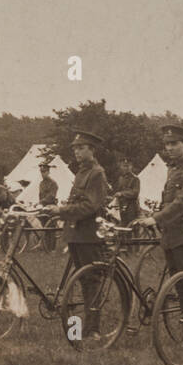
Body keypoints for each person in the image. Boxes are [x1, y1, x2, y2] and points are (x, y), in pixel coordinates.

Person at [50, 130, 110, 338]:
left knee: (91, 281)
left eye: (81, 147)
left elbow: (90, 206)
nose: (76, 151)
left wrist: (62, 211)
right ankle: (85, 327)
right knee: (82, 280)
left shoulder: (97, 173)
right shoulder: (81, 172)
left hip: (89, 234)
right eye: (74, 148)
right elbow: (76, 201)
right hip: (76, 233)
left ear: (91, 150)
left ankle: (93, 329)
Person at [141, 124, 183, 275]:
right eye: (167, 144)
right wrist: (155, 215)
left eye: (174, 143)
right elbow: (167, 199)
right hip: (170, 232)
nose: (169, 148)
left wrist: (157, 218)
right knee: (175, 278)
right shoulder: (173, 168)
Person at [38, 160, 60, 251]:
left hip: (51, 206)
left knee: (51, 227)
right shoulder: (41, 183)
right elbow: (40, 195)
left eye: (44, 172)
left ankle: (52, 248)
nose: (43, 174)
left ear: (48, 172)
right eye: (41, 172)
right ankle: (45, 246)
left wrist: (42, 201)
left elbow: (51, 196)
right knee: (44, 227)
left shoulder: (53, 183)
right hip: (43, 207)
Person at [114, 155, 141, 226]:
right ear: (121, 167)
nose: (126, 168)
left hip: (131, 207)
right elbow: (118, 190)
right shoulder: (120, 178)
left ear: (131, 167)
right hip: (122, 205)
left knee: (132, 226)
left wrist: (122, 194)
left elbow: (135, 193)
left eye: (128, 166)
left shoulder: (135, 179)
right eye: (124, 166)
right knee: (123, 225)